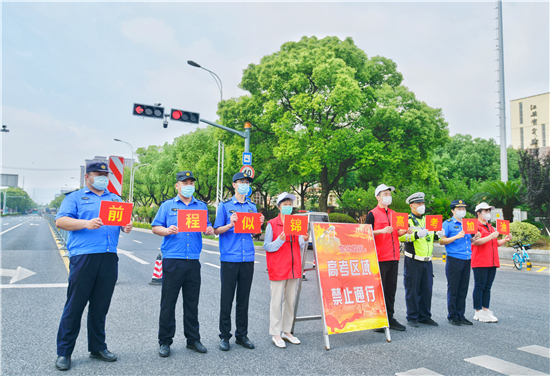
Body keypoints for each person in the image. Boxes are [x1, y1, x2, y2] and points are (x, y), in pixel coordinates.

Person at [54, 162, 133, 371]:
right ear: (87, 177)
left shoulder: (115, 199)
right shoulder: (75, 198)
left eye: (105, 174)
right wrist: (85, 223)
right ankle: (64, 352)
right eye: (99, 174)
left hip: (108, 256)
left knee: (100, 307)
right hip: (84, 257)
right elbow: (61, 221)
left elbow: (122, 223)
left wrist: (127, 226)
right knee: (75, 306)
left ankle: (97, 347)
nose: (103, 178)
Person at [151, 171, 214, 357]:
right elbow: (155, 228)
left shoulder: (201, 206)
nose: (188, 185)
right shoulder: (167, 206)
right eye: (184, 182)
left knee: (192, 303)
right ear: (177, 186)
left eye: (191, 182)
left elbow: (206, 228)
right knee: (168, 303)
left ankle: (193, 340)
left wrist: (209, 230)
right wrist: (167, 230)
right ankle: (165, 341)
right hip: (173, 260)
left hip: (193, 260)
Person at [214, 172, 264, 351]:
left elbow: (253, 233)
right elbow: (216, 230)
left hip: (248, 257)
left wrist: (259, 224)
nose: (244, 184)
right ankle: (224, 336)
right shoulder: (225, 206)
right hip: (230, 257)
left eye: (247, 182)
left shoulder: (252, 206)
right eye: (241, 182)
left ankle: (242, 335)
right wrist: (230, 223)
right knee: (226, 299)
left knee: (243, 299)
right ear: (234, 185)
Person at [263, 192, 309, 348]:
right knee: (276, 303)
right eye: (285, 204)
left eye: (290, 204)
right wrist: (279, 241)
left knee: (290, 302)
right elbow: (267, 246)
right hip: (278, 268)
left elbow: (297, 245)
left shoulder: (296, 223)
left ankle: (286, 331)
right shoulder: (272, 224)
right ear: (279, 207)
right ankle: (276, 333)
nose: (288, 207)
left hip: (293, 268)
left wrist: (303, 239)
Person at [365, 184, 407, 332]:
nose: (388, 196)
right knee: (378, 290)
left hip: (394, 257)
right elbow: (365, 233)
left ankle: (390, 317)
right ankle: (377, 320)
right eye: (385, 193)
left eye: (389, 193)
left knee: (390, 290)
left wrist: (404, 231)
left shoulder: (395, 214)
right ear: (378, 197)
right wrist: (381, 230)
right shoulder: (372, 214)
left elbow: (397, 234)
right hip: (379, 257)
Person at [399, 192, 438, 327]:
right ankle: (412, 316)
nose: (422, 206)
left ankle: (425, 316)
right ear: (411, 205)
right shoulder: (406, 220)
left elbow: (431, 238)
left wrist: (439, 234)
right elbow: (400, 237)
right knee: (412, 289)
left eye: (423, 203)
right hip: (413, 260)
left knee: (427, 289)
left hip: (427, 260)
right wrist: (416, 235)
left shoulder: (429, 220)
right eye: (419, 203)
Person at [471, 202, 512, 323]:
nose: (488, 213)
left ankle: (485, 310)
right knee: (479, 286)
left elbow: (494, 243)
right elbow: (475, 242)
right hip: (480, 261)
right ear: (478, 213)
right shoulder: (474, 226)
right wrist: (491, 236)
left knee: (487, 287)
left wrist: (505, 239)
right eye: (485, 211)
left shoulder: (491, 227)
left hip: (492, 261)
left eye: (489, 211)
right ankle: (478, 312)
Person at [439, 200, 478, 326]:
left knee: (463, 288)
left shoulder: (468, 223)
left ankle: (461, 315)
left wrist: (474, 238)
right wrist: (456, 236)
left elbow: (469, 240)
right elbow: (442, 241)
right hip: (454, 258)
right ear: (452, 210)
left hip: (467, 258)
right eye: (459, 208)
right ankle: (452, 315)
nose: (462, 210)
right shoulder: (448, 224)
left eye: (463, 208)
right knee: (453, 288)